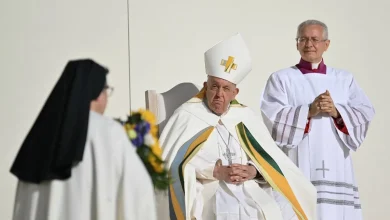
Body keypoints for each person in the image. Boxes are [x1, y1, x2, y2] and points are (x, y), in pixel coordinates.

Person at [159, 33, 317, 220]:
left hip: (248, 188)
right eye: (214, 86)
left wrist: (254, 170)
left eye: (226, 89)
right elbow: (169, 164)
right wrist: (214, 171)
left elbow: (272, 158)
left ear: (235, 93)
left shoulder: (244, 117)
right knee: (227, 208)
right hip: (209, 189)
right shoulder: (187, 115)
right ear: (206, 86)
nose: (219, 94)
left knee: (285, 205)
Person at [10, 59, 156, 220]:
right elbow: (139, 195)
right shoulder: (108, 132)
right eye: (107, 90)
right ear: (98, 93)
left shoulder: (39, 138)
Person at [259, 20, 375, 220]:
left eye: (314, 39)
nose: (309, 44)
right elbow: (273, 117)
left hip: (336, 163)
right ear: (297, 44)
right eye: (303, 39)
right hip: (297, 161)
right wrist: (308, 111)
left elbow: (365, 112)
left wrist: (337, 112)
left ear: (326, 44)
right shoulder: (281, 78)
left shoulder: (344, 79)